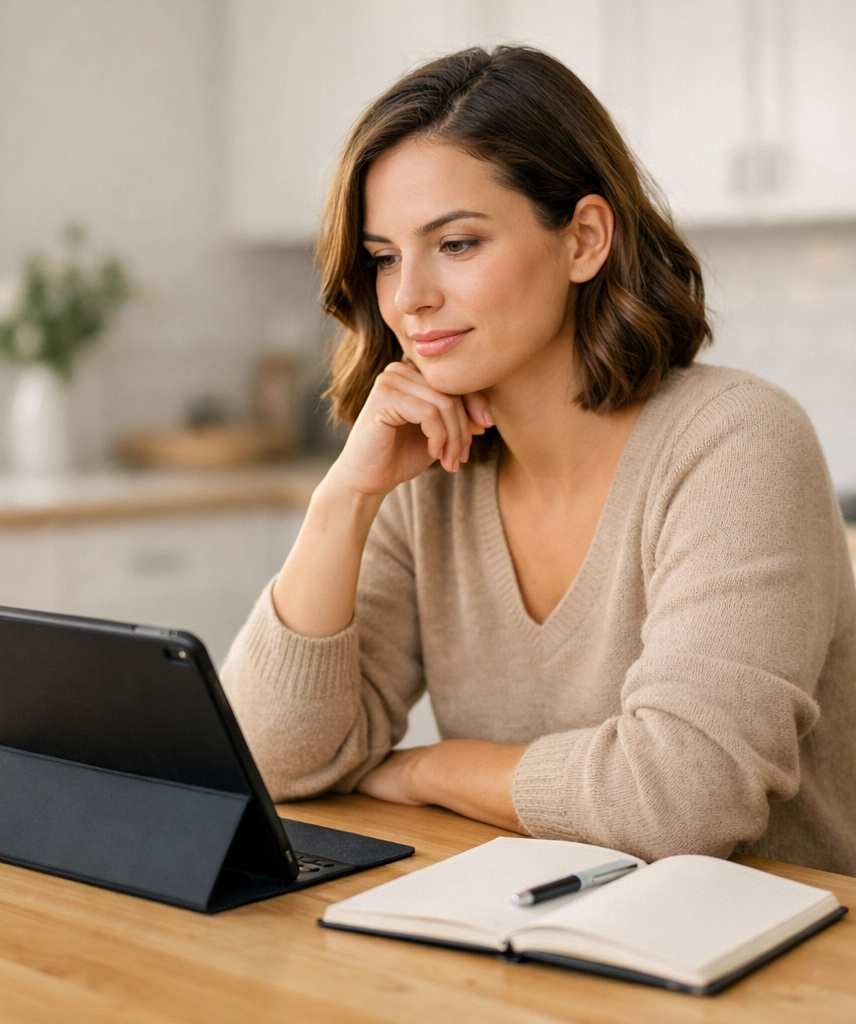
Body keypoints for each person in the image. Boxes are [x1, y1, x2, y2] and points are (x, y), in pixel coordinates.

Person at [221, 46, 856, 874]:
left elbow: (681, 799)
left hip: (772, 942)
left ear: (584, 239)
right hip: (526, 921)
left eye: (456, 244)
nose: (408, 297)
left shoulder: (737, 442)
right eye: (384, 257)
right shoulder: (426, 474)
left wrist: (428, 769)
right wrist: (343, 498)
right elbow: (274, 761)